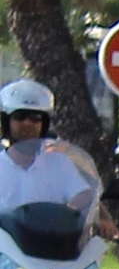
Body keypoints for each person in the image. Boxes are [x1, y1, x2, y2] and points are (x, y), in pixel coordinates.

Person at [0, 79, 96, 218]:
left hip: (50, 237)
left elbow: (83, 195)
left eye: (35, 118)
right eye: (19, 117)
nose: (27, 124)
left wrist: (69, 214)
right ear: (6, 122)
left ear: (44, 125)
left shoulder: (59, 163)